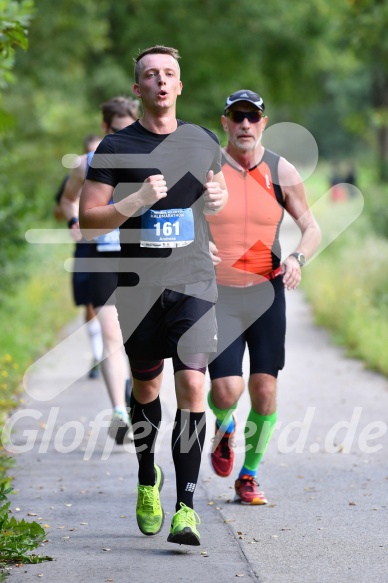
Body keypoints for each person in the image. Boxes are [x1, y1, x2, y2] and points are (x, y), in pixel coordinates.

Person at [79, 45, 227, 546]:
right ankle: (148, 477)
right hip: (139, 287)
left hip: (193, 283)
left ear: (180, 86)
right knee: (146, 389)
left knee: (193, 384)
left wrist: (219, 200)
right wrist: (136, 201)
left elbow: (214, 198)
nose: (161, 82)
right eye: (150, 75)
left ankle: (186, 506)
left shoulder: (203, 140)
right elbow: (87, 221)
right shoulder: (116, 147)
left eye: (169, 74)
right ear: (137, 87)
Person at [206, 90, 321, 505]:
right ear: (226, 122)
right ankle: (225, 428)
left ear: (264, 123)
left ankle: (248, 476)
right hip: (217, 293)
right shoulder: (208, 168)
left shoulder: (280, 170)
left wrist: (297, 257)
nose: (245, 125)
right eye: (238, 117)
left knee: (265, 390)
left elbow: (311, 227)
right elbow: (182, 220)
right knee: (225, 392)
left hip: (266, 291)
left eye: (253, 117)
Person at [61, 97, 139, 444]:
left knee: (140, 339)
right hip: (103, 256)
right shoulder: (88, 163)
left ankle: (138, 401)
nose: (124, 136)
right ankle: (119, 411)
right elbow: (66, 200)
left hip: (141, 256)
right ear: (106, 128)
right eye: (118, 130)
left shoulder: (148, 159)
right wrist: (74, 220)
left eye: (130, 129)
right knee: (111, 336)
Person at [55, 134, 103, 379]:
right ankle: (97, 354)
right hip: (85, 247)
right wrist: (73, 219)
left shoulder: (116, 174)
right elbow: (60, 206)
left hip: (111, 247)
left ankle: (114, 356)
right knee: (90, 303)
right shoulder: (75, 176)